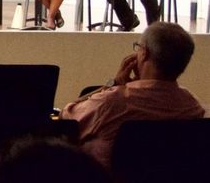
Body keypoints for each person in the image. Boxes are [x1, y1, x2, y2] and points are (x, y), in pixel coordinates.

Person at [60, 22, 205, 168]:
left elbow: (67, 117)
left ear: (144, 54)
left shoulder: (113, 102)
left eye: (138, 47)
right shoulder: (192, 107)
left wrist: (113, 84)